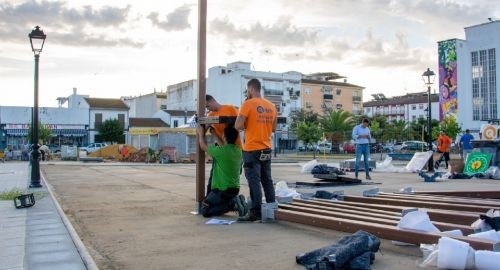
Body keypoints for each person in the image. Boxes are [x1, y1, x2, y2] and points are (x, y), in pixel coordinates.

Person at [235, 78, 277, 222]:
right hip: (266, 148)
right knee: (267, 180)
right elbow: (274, 128)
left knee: (254, 181)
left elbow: (238, 125)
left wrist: (247, 120)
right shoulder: (271, 105)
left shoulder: (247, 104)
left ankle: (256, 212)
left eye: (248, 90)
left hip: (252, 149)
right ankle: (272, 209)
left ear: (251, 89)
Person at [196, 124, 246, 217]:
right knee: (215, 204)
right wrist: (214, 133)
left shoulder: (220, 151)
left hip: (222, 190)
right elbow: (224, 146)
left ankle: (233, 204)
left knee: (205, 210)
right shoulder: (238, 151)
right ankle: (234, 202)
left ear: (224, 136)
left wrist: (200, 133)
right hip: (234, 189)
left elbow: (203, 146)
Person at [205, 95, 242, 196]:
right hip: (222, 148)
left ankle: (231, 200)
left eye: (207, 106)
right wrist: (201, 122)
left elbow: (238, 125)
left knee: (232, 177)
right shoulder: (210, 116)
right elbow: (203, 129)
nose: (208, 109)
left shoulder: (230, 109)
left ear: (211, 100)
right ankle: (210, 199)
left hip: (235, 148)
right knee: (215, 175)